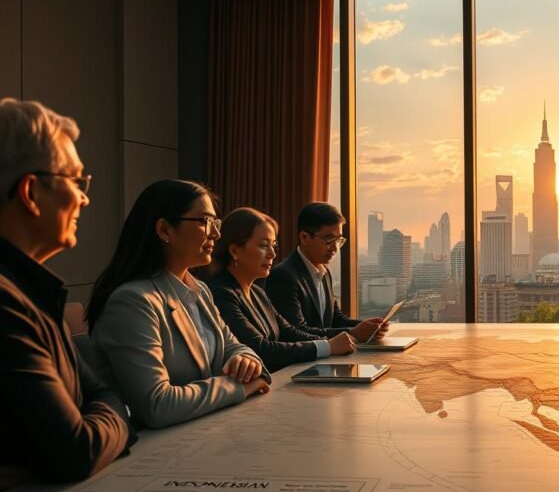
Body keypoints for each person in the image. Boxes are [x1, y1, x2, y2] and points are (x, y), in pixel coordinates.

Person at [0, 98, 134, 486]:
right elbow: (77, 452)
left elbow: (101, 392)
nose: (85, 197)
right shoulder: (7, 302)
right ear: (30, 191)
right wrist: (118, 417)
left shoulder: (35, 290)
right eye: (76, 181)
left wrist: (108, 413)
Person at [87, 180, 270, 430]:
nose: (216, 234)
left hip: (203, 431)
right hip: (153, 453)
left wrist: (246, 359)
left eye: (216, 224)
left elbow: (232, 345)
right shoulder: (132, 301)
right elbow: (157, 405)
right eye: (205, 222)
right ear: (164, 230)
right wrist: (238, 386)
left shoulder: (198, 289)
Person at [206, 208, 358, 373]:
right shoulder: (220, 293)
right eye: (264, 245)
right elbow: (260, 350)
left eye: (273, 245)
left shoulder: (257, 292)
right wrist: (327, 346)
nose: (272, 254)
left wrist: (335, 342)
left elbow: (289, 332)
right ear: (235, 250)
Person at [265, 202, 388, 342]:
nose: (335, 248)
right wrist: (353, 333)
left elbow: (335, 319)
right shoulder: (283, 276)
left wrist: (367, 326)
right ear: (304, 237)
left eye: (338, 240)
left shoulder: (324, 272)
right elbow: (296, 332)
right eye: (329, 239)